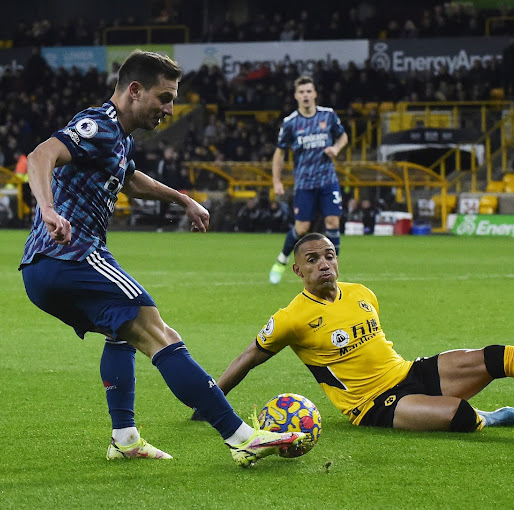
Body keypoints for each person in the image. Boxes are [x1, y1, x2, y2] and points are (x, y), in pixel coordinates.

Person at [19, 50, 303, 467]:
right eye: (164, 97)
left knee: (123, 334)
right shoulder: (96, 124)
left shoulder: (118, 137)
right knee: (159, 332)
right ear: (134, 90)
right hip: (71, 256)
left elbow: (130, 180)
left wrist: (182, 198)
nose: (170, 109)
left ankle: (125, 438)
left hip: (45, 268)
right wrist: (47, 208)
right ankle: (241, 437)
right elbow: (43, 153)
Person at [195, 233, 514, 433]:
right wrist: (210, 401)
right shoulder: (291, 318)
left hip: (409, 373)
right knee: (458, 416)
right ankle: (487, 418)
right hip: (373, 405)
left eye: (329, 255)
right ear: (298, 270)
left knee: (495, 357)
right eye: (312, 259)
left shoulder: (362, 292)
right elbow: (250, 356)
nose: (324, 263)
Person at [268, 76, 348, 284]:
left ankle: (331, 270)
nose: (305, 95)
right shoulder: (290, 123)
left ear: (314, 94)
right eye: (301, 92)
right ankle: (281, 260)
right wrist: (277, 181)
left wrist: (336, 149)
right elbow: (280, 153)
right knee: (302, 228)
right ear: (296, 95)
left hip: (327, 180)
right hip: (304, 183)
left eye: (308, 91)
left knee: (333, 222)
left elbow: (343, 136)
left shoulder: (328, 116)